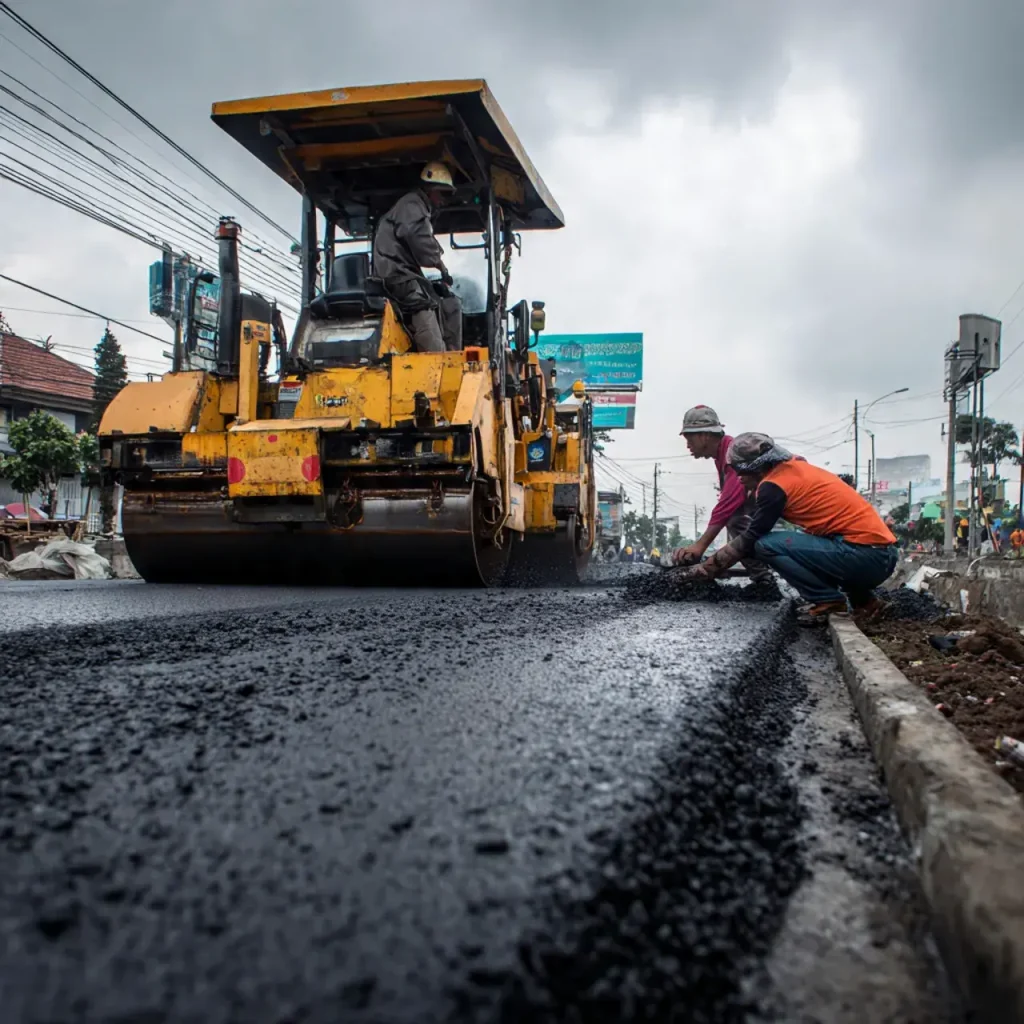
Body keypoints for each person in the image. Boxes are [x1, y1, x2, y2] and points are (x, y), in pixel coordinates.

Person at [672, 433, 898, 622]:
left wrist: (707, 568)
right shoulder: (793, 469)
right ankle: (866, 602)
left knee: (765, 545)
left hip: (865, 558)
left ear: (757, 468)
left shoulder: (773, 487)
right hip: (880, 555)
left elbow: (751, 537)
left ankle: (828, 601)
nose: (739, 478)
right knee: (810, 542)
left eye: (741, 471)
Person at [673, 405, 774, 584]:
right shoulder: (722, 455)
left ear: (704, 435)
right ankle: (763, 575)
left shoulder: (733, 452)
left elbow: (730, 502)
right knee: (736, 520)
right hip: (771, 507)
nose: (688, 445)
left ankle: (764, 578)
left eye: (689, 438)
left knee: (734, 520)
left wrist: (700, 546)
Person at [372, 161, 462, 353]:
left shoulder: (410, 206)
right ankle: (438, 359)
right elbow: (420, 240)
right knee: (423, 308)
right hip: (397, 278)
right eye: (443, 194)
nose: (444, 201)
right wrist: (440, 265)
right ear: (431, 189)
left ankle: (450, 351)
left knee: (445, 301)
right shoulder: (413, 205)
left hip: (399, 275)